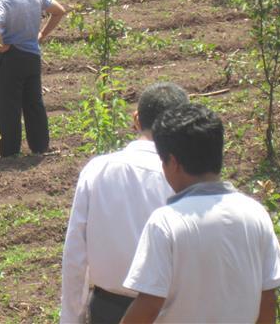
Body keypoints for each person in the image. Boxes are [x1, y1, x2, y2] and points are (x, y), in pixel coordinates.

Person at [121, 104, 280, 323]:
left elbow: (149, 305)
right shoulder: (255, 213)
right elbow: (267, 299)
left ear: (173, 162)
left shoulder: (166, 222)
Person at [60, 82, 190, 324]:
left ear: (136, 119)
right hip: (169, 311)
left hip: (108, 309)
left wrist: (71, 318)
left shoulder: (97, 170)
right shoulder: (184, 178)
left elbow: (75, 256)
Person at [0, 0, 65, 157]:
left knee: (9, 107)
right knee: (34, 103)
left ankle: (10, 152)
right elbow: (59, 11)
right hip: (32, 57)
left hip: (12, 57)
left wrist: (2, 46)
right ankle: (40, 147)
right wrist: (41, 35)